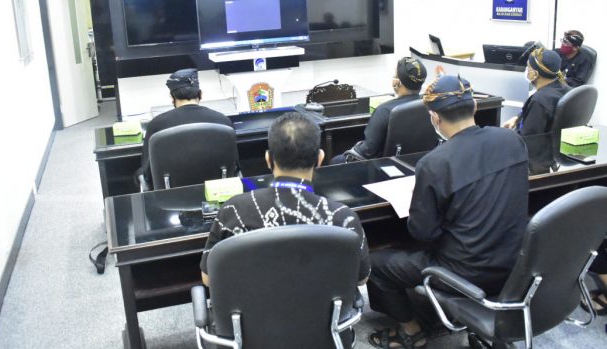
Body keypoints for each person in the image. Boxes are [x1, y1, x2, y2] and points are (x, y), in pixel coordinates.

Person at [367, 76, 529, 349]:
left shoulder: (434, 163)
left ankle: (412, 331)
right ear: (475, 106)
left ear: (434, 118)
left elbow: (423, 232)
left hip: (465, 272)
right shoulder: (512, 140)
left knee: (375, 263)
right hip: (516, 262)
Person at [200, 112, 370, 286]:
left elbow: (208, 278)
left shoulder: (233, 209)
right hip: (321, 304)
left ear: (268, 159)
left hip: (254, 304)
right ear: (320, 158)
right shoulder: (343, 217)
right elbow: (361, 278)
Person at [136, 68, 234, 190]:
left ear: (172, 97)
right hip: (219, 194)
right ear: (201, 94)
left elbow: (147, 175)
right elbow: (234, 167)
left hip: (171, 198)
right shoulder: (223, 121)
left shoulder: (157, 125)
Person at [331, 57, 427, 164]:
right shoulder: (429, 105)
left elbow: (368, 151)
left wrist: (352, 151)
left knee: (335, 160)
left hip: (384, 168)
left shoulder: (384, 111)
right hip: (416, 163)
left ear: (397, 82)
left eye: (395, 76)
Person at [503, 48, 571, 136]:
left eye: (528, 67)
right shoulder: (564, 88)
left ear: (534, 74)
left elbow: (526, 138)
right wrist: (517, 118)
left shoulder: (539, 101)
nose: (526, 70)